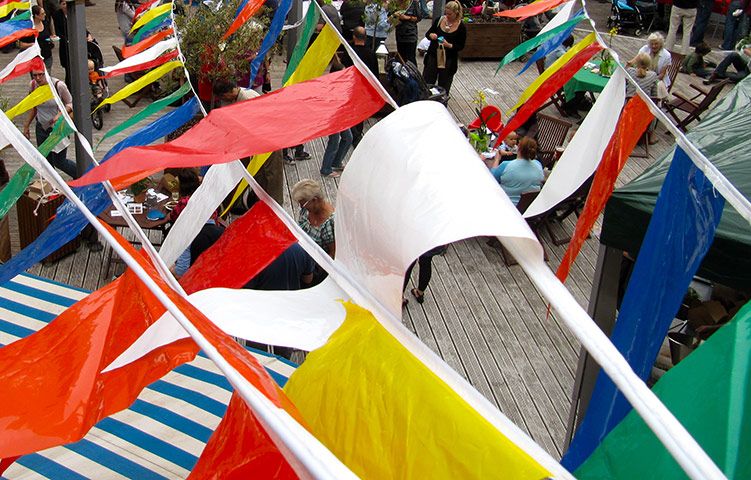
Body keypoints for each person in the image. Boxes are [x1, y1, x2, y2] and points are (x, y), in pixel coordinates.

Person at [212, 80, 284, 205]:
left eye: (222, 97)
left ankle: (276, 206)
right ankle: (261, 203)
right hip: (257, 142)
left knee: (272, 175)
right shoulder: (235, 97)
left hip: (270, 139)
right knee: (259, 174)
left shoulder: (247, 98)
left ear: (226, 94)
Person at [22, 70, 78, 179]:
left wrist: (60, 114)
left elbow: (71, 103)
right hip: (41, 127)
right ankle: (53, 185)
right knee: (46, 161)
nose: (38, 78)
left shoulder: (58, 85)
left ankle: (81, 175)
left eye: (41, 74)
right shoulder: (33, 85)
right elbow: (33, 107)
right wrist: (26, 125)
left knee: (60, 161)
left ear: (46, 73)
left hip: (58, 128)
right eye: (35, 75)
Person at [423, 1, 466, 95]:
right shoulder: (440, 20)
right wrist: (431, 35)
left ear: (456, 13)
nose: (447, 16)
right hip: (433, 55)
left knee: (444, 84)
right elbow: (428, 34)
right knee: (428, 81)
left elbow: (461, 46)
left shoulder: (461, 27)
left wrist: (448, 45)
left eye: (450, 14)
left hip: (448, 60)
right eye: (446, 13)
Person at [320, 63, 353, 178]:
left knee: (348, 138)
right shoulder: (331, 86)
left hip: (342, 116)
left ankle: (336, 161)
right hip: (333, 117)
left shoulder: (343, 85)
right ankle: (326, 168)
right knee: (333, 141)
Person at [490, 136, 544, 205]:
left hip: (507, 205)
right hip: (529, 208)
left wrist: (496, 160)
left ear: (519, 148)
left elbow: (492, 179)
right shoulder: (538, 165)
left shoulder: (506, 165)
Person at [292, 179, 336, 259]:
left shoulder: (330, 222)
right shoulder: (307, 210)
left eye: (302, 204)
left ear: (314, 200)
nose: (301, 207)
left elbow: (333, 254)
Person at [626, 53, 660, 144]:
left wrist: (629, 65)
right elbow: (655, 95)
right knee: (654, 107)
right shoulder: (653, 75)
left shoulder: (630, 72)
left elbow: (623, 84)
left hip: (629, 109)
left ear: (636, 63)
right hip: (644, 111)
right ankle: (651, 136)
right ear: (649, 64)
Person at [394, 0, 422, 65]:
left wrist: (408, 18)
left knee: (411, 57)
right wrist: (395, 19)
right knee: (401, 56)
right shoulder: (395, 3)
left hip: (410, 33)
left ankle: (412, 73)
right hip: (400, 33)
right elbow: (390, 16)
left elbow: (419, 17)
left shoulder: (413, 3)